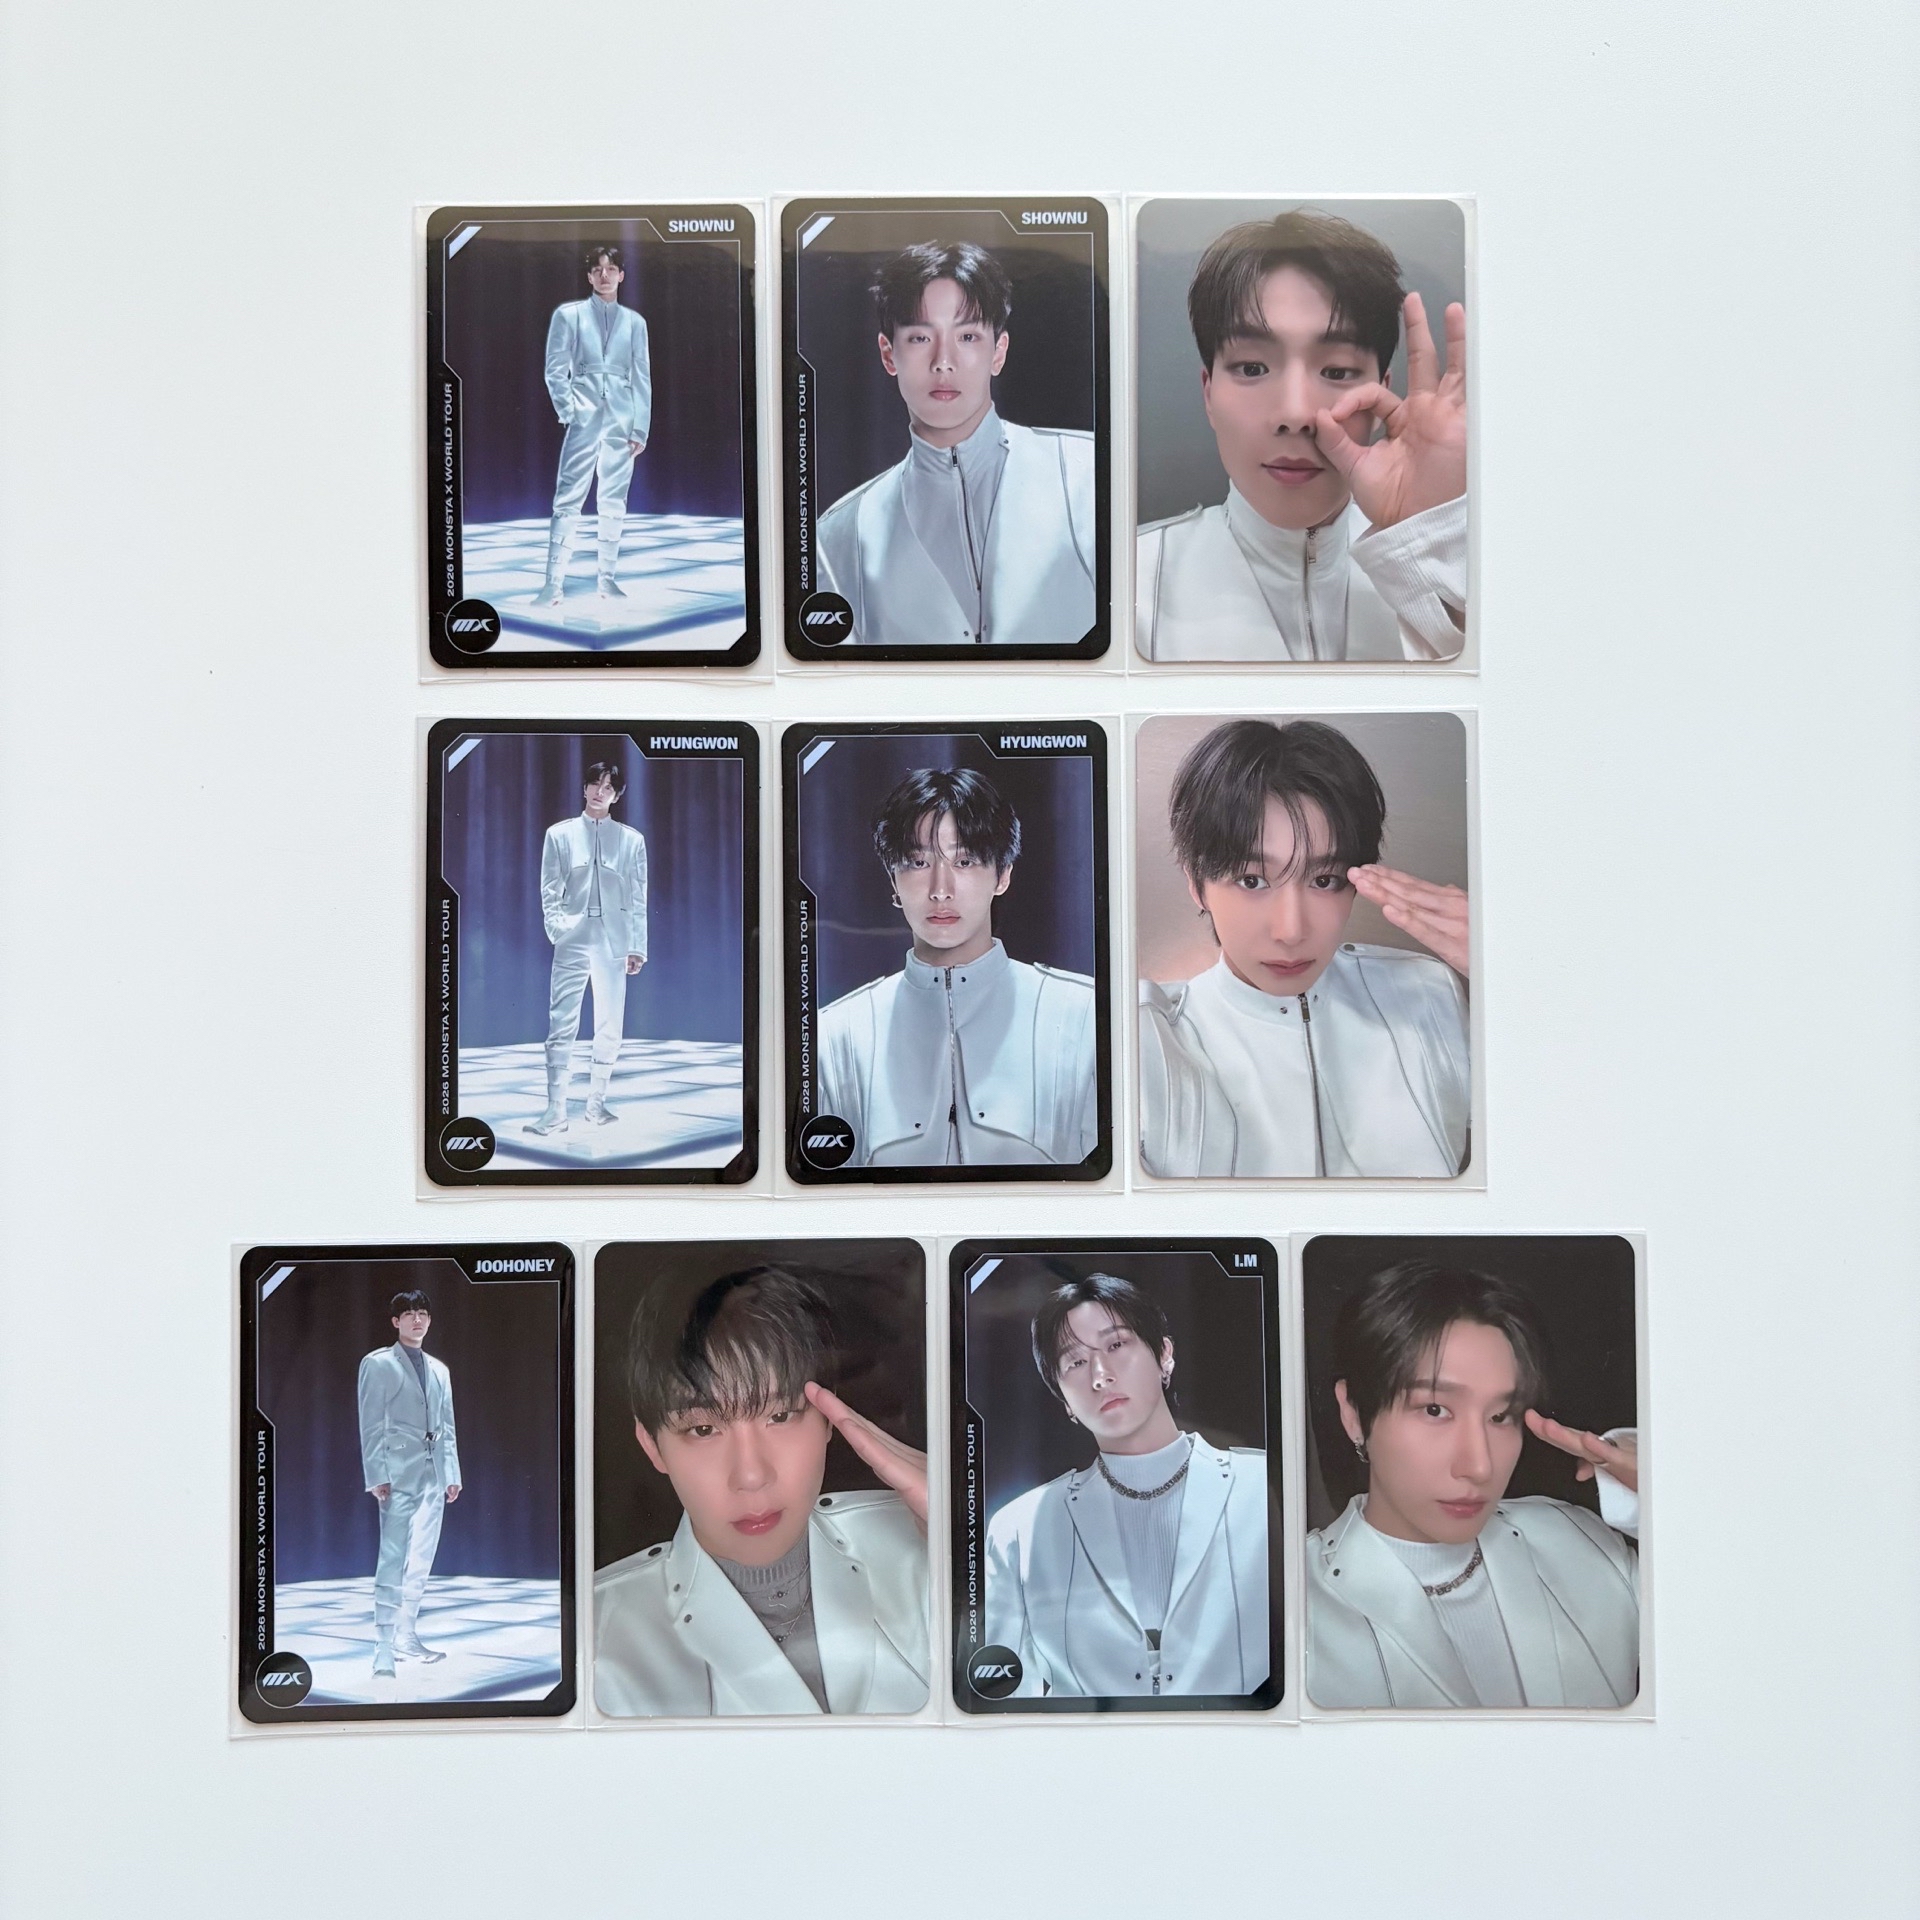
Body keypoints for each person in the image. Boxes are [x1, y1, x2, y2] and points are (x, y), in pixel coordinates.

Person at [1138, 718, 1469, 1178]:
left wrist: (1517, 974)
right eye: (1251, 880)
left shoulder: (1428, 992)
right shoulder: (1146, 1039)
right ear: (1197, 884)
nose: (1291, 931)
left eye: (1324, 880)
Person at [593, 1266, 931, 1717]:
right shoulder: (593, 1632)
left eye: (780, 1416)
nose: (751, 1476)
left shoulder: (930, 1538)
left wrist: (967, 1534)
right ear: (652, 1446)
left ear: (828, 1416)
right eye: (703, 1429)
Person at [1136, 208, 1467, 663]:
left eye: (1337, 371)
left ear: (1381, 397)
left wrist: (1435, 544)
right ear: (1208, 393)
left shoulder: (1474, 574)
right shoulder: (1128, 581)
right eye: (1252, 367)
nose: (1295, 414)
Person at [1307, 1259, 1640, 1709]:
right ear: (1353, 1413)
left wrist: (1661, 1487)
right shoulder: (1290, 1605)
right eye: (1435, 1410)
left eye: (1501, 1416)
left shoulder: (1584, 1542)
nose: (1480, 1466)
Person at [980, 1272, 1269, 1700]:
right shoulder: (1019, 1528)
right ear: (1063, 1400)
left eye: (1116, 1345)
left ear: (1164, 1355)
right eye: (1075, 1363)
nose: (1100, 1375)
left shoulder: (1262, 1487)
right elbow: (1002, 1699)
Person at [815, 766, 1098, 1168]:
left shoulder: (1085, 1015)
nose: (940, 890)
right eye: (918, 862)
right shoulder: (837, 1035)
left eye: (964, 861)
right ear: (893, 879)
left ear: (1002, 874)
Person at [816, 240, 1096, 646]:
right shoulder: (841, 534)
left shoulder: (1089, 472)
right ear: (888, 354)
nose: (943, 361)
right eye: (920, 338)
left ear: (998, 352)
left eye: (967, 336)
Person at [527, 760, 648, 1137]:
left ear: (617, 796)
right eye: (595, 784)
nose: (600, 792)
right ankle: (555, 1111)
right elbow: (549, 886)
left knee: (611, 1023)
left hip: (614, 940)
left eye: (608, 787)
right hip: (573, 935)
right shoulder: (559, 834)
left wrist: (637, 946)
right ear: (584, 788)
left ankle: (596, 1104)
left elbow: (638, 896)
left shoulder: (631, 840)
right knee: (561, 1021)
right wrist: (556, 928)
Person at [537, 243, 652, 606]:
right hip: (584, 415)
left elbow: (642, 376)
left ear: (622, 275)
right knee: (568, 497)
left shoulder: (635, 322)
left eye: (611, 269)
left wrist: (640, 427)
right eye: (598, 270)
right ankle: (553, 584)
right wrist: (568, 410)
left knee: (614, 500)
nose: (605, 275)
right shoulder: (568, 315)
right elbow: (555, 368)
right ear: (589, 276)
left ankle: (607, 580)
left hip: (621, 418)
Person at [357, 1290, 462, 1679]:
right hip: (398, 1473)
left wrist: (452, 1473)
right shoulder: (378, 1364)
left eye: (422, 1314)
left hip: (434, 1475)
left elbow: (446, 1425)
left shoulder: (439, 1370)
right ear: (395, 1321)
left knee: (421, 1557)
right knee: (393, 1556)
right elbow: (370, 1422)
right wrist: (376, 1474)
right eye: (409, 1314)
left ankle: (406, 1636)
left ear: (430, 1321)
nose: (417, 1320)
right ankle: (383, 1646)